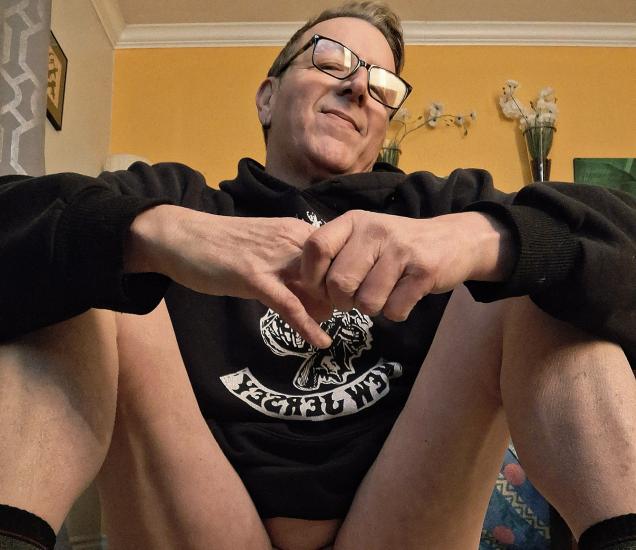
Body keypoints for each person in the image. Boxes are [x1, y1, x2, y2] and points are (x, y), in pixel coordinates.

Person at [0, 2, 635, 549]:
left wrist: (479, 238)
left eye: (382, 85)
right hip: (194, 518)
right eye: (330, 60)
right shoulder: (179, 200)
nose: (359, 88)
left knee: (539, 267)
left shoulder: (441, 207)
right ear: (267, 96)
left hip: (400, 524)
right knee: (76, 259)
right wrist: (157, 233)